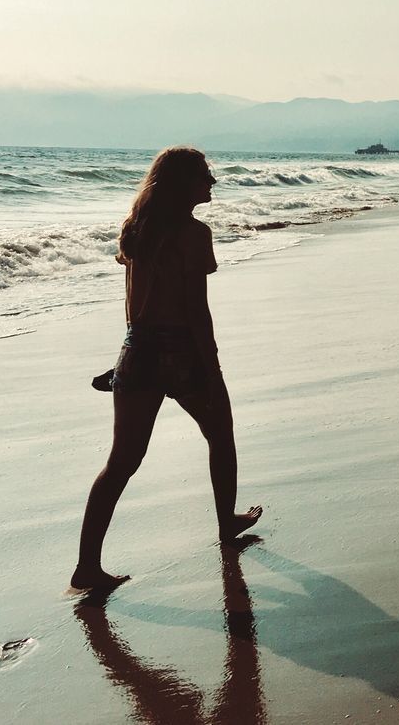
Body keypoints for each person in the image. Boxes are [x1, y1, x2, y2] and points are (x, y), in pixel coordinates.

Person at [71, 147, 261, 591]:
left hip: (136, 350)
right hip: (182, 353)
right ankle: (226, 523)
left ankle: (86, 567)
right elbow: (197, 309)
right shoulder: (194, 234)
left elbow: (133, 303)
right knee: (221, 434)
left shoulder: (136, 228)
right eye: (204, 176)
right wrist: (210, 366)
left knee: (121, 462)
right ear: (182, 184)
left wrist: (126, 358)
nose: (212, 183)